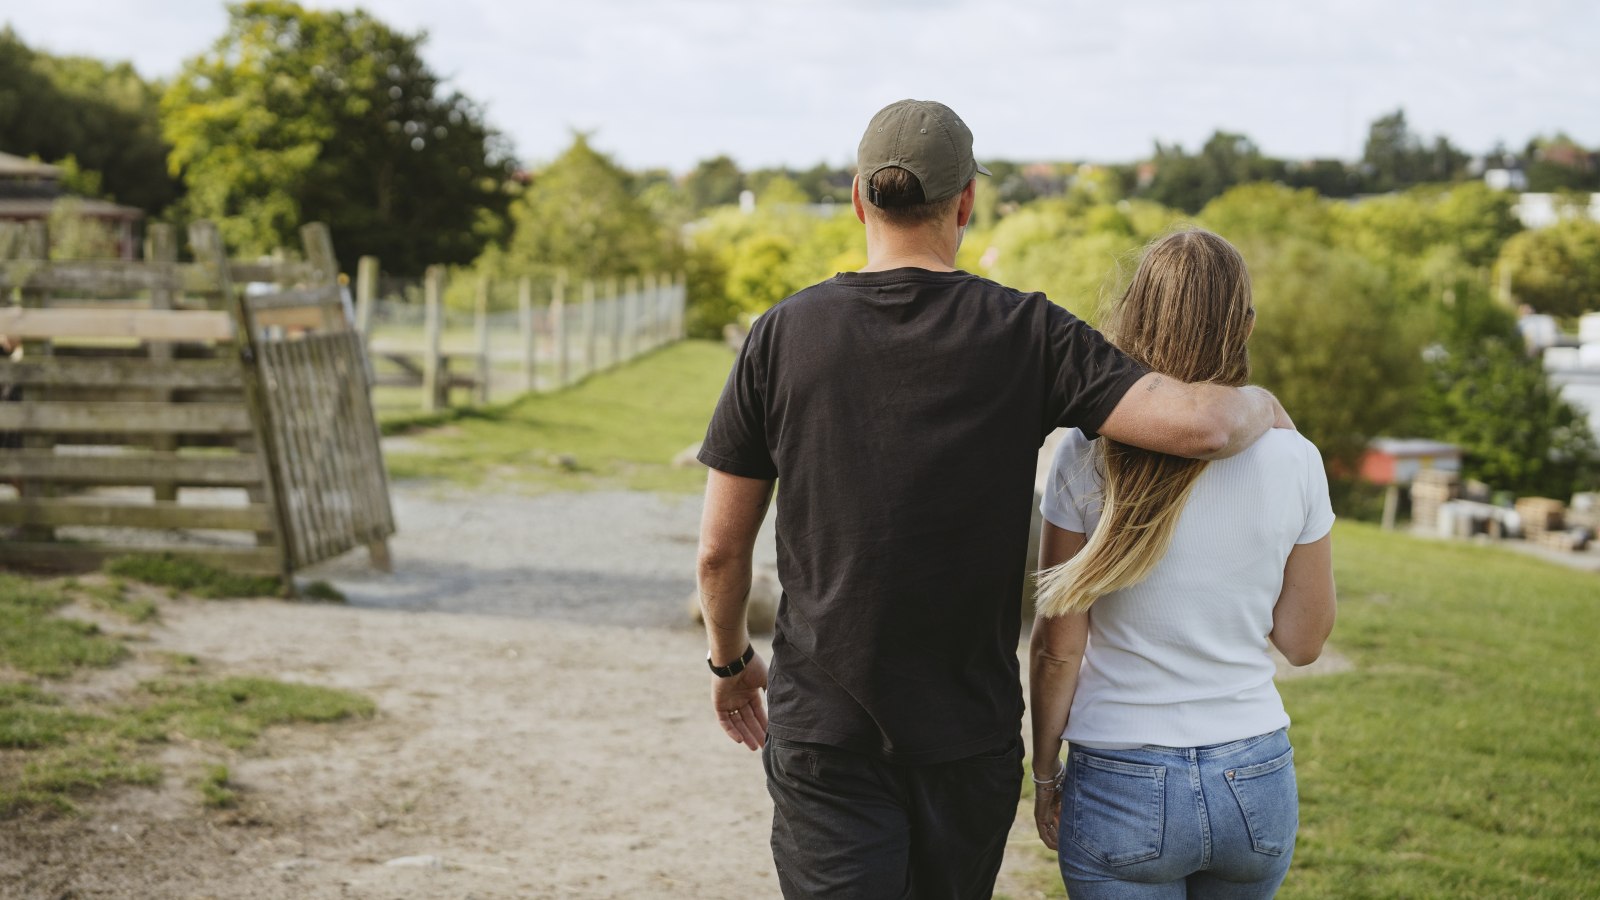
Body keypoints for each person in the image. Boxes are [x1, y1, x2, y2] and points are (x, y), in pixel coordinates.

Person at [695, 99, 1291, 899]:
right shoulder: (1027, 332)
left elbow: (720, 550)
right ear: (966, 202)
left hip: (825, 733)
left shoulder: (781, 334)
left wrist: (731, 661)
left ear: (858, 197)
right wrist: (1265, 408)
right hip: (966, 737)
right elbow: (1201, 427)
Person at [1028, 229, 1337, 899]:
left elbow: (1059, 646)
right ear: (1245, 327)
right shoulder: (1295, 459)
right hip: (1254, 777)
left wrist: (1046, 768)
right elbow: (1303, 642)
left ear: (1131, 318)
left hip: (1120, 779)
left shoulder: (1085, 455)